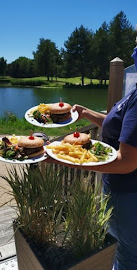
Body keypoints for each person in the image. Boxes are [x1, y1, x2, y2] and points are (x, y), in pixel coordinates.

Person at [46, 87, 137, 269]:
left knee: (127, 257)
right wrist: (86, 112)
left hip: (127, 195)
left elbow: (128, 161)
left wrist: (63, 159)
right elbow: (119, 127)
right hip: (123, 193)